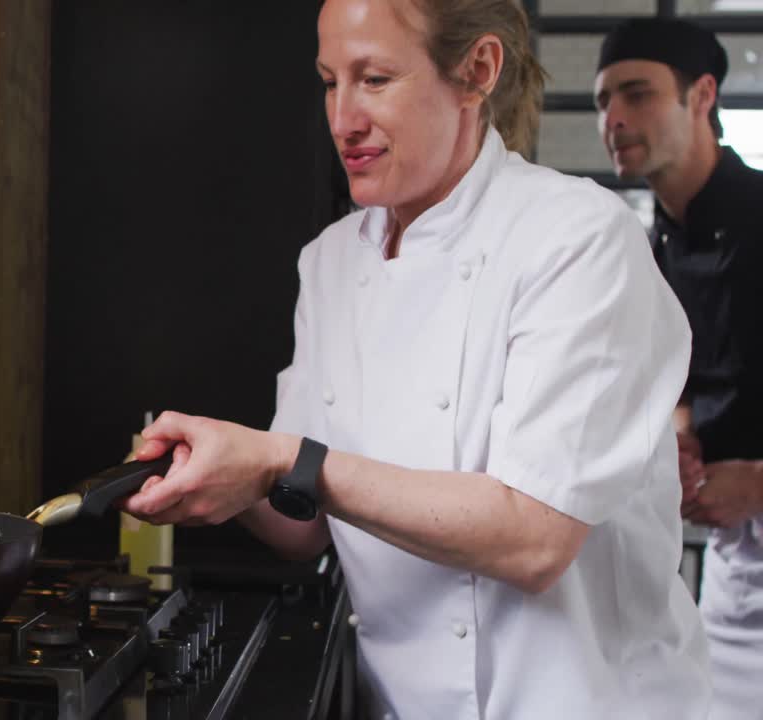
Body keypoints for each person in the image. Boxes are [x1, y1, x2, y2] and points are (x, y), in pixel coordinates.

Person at [119, 1, 711, 717]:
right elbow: (306, 524)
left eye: (375, 79)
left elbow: (534, 539)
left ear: (477, 72)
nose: (342, 120)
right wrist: (213, 475)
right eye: (330, 81)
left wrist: (282, 462)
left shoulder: (577, 239)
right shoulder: (332, 262)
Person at [595, 18, 763, 720]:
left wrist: (760, 481)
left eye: (637, 94)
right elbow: (688, 369)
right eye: (605, 101)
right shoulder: (656, 241)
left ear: (703, 95)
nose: (615, 119)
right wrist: (683, 432)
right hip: (737, 562)